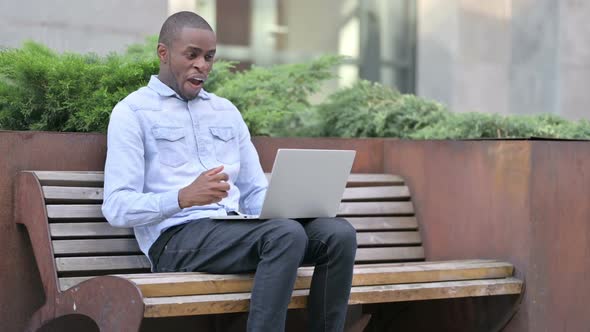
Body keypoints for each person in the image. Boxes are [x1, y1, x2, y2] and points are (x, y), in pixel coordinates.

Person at [101, 11, 357, 332]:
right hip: (175, 239)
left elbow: (252, 192)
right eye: (191, 55)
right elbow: (116, 207)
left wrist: (293, 207)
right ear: (163, 54)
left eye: (209, 57)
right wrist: (181, 197)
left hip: (234, 230)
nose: (202, 65)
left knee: (338, 234)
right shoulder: (132, 112)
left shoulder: (225, 111)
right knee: (283, 235)